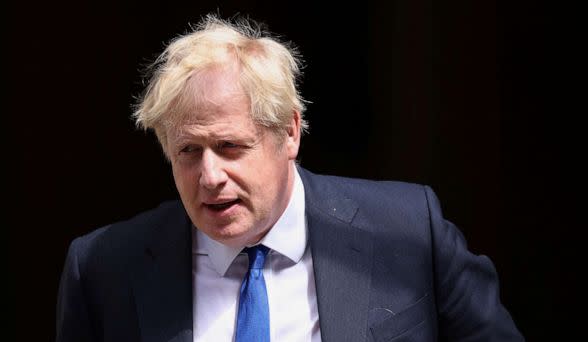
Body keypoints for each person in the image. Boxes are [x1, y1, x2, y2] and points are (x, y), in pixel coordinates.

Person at [56, 14, 524, 342]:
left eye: (230, 147)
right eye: (188, 152)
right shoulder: (104, 268)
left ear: (290, 133)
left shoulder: (407, 230)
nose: (209, 176)